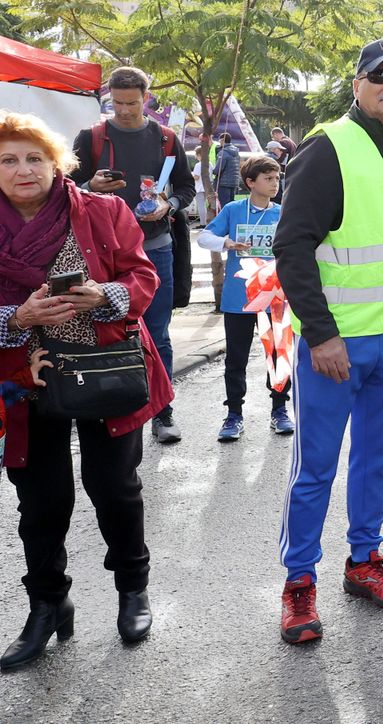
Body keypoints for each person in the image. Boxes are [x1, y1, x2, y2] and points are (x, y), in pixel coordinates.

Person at [0, 111, 173, 670]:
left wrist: (106, 296)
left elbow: (142, 275)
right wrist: (16, 316)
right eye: (7, 159)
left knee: (114, 486)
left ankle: (132, 589)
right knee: (40, 502)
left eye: (34, 157)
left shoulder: (102, 210)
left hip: (108, 371)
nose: (23, 169)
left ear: (56, 162)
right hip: (26, 380)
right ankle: (49, 605)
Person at [273, 37, 383, 642]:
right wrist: (321, 335)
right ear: (358, 83)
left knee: (377, 460)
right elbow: (292, 247)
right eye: (380, 75)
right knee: (315, 469)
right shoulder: (327, 147)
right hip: (334, 344)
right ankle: (298, 585)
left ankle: (364, 561)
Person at [70, 66, 195, 445]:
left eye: (132, 102)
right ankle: (110, 402)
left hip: (155, 247)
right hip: (101, 253)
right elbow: (64, 188)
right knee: (105, 332)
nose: (124, 110)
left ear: (146, 98)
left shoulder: (166, 139)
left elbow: (186, 188)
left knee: (157, 332)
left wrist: (168, 205)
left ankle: (162, 411)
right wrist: (91, 185)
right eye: (117, 103)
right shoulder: (91, 137)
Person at [196, 154, 292, 441]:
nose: (275, 184)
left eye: (277, 178)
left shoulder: (283, 212)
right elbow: (203, 238)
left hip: (274, 296)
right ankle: (234, 414)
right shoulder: (234, 210)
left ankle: (279, 410)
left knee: (277, 356)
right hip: (239, 296)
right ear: (251, 182)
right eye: (268, 178)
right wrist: (226, 242)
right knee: (235, 358)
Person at [213, 131, 241, 203]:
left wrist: (212, 171)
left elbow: (218, 170)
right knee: (231, 204)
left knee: (224, 204)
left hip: (224, 183)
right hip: (234, 183)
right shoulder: (236, 152)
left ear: (222, 140)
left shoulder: (223, 152)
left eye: (220, 140)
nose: (219, 142)